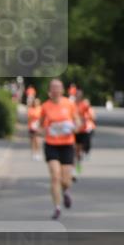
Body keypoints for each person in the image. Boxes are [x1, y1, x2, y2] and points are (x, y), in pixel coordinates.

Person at [35, 79, 81, 220]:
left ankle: (66, 191)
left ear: (62, 90)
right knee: (55, 176)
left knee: (65, 180)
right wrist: (44, 130)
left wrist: (74, 127)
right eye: (53, 88)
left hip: (67, 144)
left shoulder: (69, 104)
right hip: (51, 144)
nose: (55, 90)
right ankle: (57, 208)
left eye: (58, 87)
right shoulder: (45, 106)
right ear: (50, 91)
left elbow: (77, 121)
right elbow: (40, 126)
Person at [74, 89, 96, 176]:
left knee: (81, 150)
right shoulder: (72, 105)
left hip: (83, 130)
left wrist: (86, 119)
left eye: (80, 95)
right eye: (77, 95)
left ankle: (78, 166)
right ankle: (77, 168)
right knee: (76, 151)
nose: (78, 96)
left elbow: (90, 114)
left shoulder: (84, 105)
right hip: (75, 130)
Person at [26, 97, 43, 161]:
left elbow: (42, 118)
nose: (36, 103)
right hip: (32, 127)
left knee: (38, 141)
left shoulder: (41, 109)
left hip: (38, 127)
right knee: (32, 141)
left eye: (37, 102)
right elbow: (29, 117)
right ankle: (33, 153)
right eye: (35, 102)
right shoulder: (31, 109)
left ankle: (38, 153)